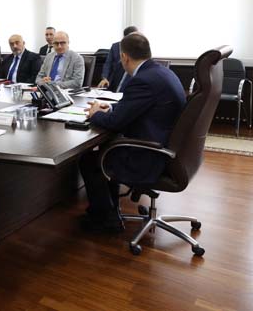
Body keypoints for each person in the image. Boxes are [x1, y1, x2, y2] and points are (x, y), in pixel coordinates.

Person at [79, 33, 186, 232]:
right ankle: (110, 212)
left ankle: (104, 220)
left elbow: (115, 123)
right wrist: (111, 108)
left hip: (150, 156)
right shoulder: (161, 72)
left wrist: (95, 114)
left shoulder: (142, 80)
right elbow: (136, 108)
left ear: (124, 57)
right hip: (169, 150)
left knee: (90, 160)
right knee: (106, 150)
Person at [98, 26, 139, 92]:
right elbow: (108, 63)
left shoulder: (139, 47)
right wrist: (104, 78)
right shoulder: (116, 46)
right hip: (114, 77)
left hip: (130, 77)